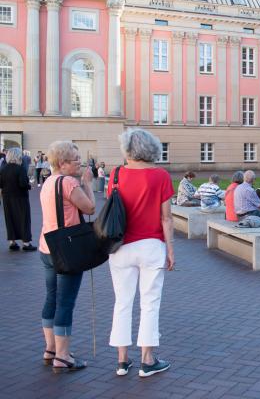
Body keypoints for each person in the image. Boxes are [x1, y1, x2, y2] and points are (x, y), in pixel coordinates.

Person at [108, 128, 175, 378]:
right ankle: (147, 359)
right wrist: (170, 249)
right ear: (151, 148)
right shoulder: (160, 176)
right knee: (150, 303)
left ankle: (122, 361)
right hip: (151, 245)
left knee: (122, 302)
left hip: (121, 246)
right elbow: (166, 218)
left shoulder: (115, 174)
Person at [39, 141, 96, 372]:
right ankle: (63, 356)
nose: (79, 162)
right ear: (62, 163)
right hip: (67, 250)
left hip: (47, 247)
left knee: (51, 298)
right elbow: (90, 208)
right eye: (75, 159)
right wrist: (88, 184)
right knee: (65, 302)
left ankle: (51, 348)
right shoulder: (69, 182)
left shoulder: (48, 182)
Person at [0, 148, 36, 251]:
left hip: (7, 197)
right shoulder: (20, 169)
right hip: (20, 197)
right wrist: (29, 186)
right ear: (18, 156)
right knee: (23, 219)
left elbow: (1, 184)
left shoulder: (3, 169)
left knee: (10, 218)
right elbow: (23, 184)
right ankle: (26, 243)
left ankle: (12, 242)